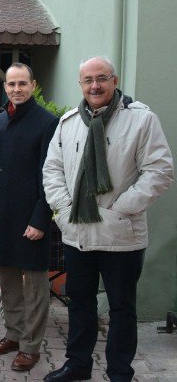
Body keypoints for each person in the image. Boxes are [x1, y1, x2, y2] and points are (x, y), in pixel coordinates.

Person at [42, 56, 173, 382]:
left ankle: (119, 372)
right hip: (78, 233)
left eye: (101, 78)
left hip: (122, 234)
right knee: (80, 303)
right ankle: (78, 365)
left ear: (114, 81)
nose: (95, 85)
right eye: (88, 80)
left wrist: (121, 208)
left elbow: (159, 171)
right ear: (81, 84)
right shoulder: (69, 122)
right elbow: (52, 170)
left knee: (121, 309)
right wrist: (62, 212)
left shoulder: (141, 120)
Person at [0, 63, 58, 371]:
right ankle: (14, 334)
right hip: (4, 216)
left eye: (22, 83)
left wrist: (41, 219)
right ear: (5, 88)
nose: (17, 89)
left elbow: (51, 175)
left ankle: (31, 346)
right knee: (9, 281)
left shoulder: (47, 122)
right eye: (11, 84)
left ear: (33, 84)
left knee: (36, 285)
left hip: (32, 216)